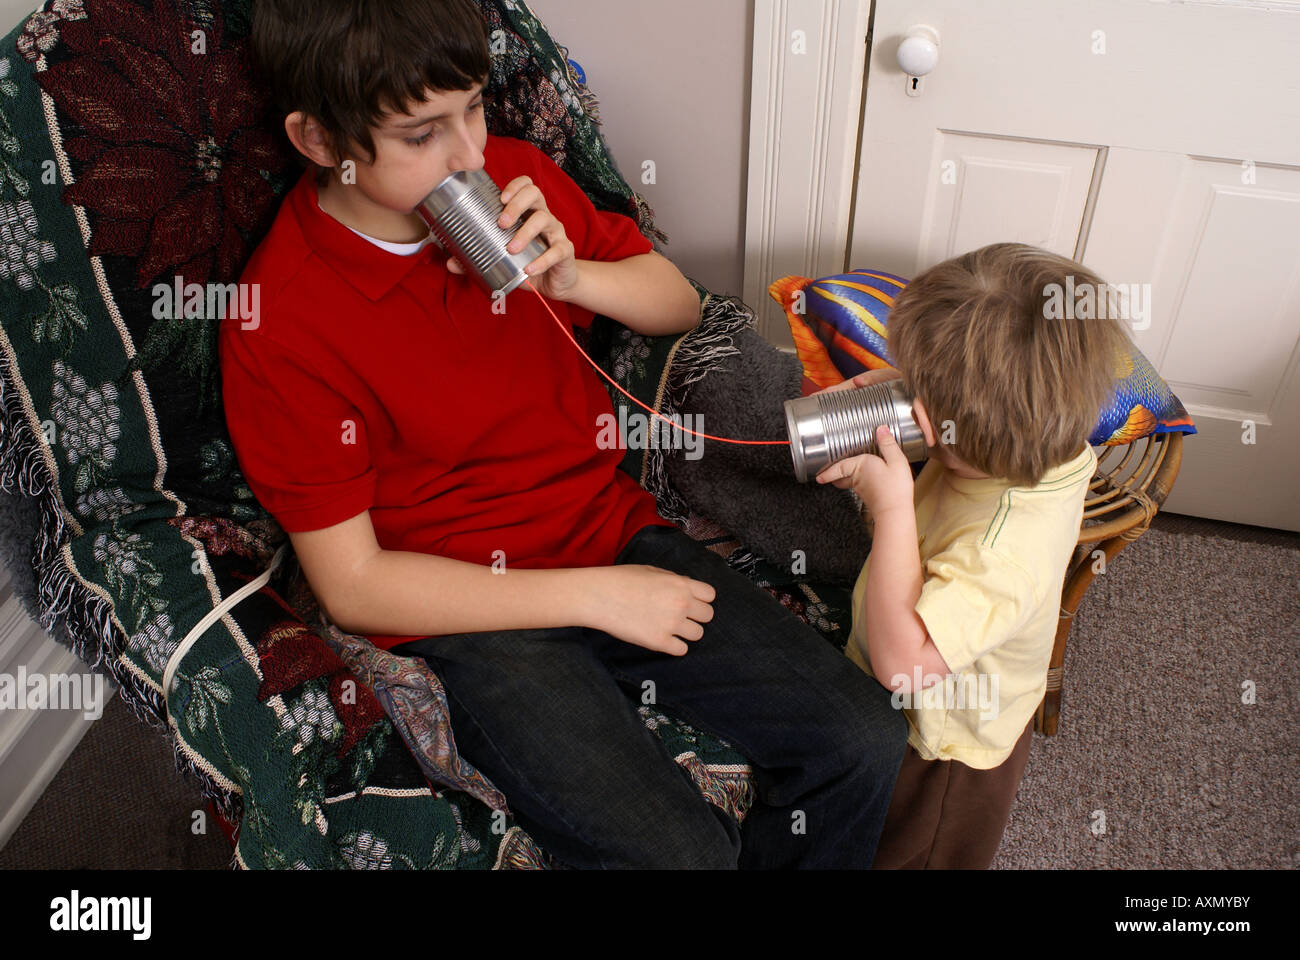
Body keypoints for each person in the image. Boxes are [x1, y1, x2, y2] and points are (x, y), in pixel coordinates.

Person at [219, 0, 907, 869]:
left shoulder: (511, 176)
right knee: (680, 855)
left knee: (861, 739)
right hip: (471, 608)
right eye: (421, 134)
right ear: (321, 143)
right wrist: (595, 596)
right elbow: (354, 587)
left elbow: (682, 304)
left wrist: (577, 274)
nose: (468, 150)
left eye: (471, 107)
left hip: (605, 527)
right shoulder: (279, 324)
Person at [816, 242, 1129, 868]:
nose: (909, 402)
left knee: (907, 848)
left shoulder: (1002, 554)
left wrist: (893, 509)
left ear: (972, 434)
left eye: (921, 401)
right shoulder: (1046, 440)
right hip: (934, 668)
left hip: (942, 743)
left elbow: (904, 668)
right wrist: (898, 393)